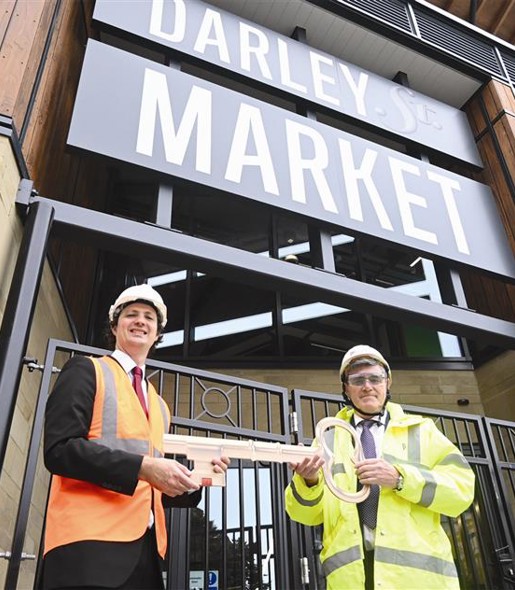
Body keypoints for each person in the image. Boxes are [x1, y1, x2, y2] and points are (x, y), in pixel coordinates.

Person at [42, 284, 229, 589]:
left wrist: (195, 480)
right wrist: (143, 467)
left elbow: (153, 487)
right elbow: (59, 450)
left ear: (157, 335)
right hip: (87, 548)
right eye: (131, 315)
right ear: (114, 327)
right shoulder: (87, 371)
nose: (141, 321)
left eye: (149, 318)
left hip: (146, 556)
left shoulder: (159, 405)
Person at [285, 344, 475, 590]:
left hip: (416, 581)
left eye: (375, 378)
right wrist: (308, 482)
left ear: (388, 383)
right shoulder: (327, 439)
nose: (367, 386)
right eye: (357, 379)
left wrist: (400, 479)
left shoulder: (422, 431)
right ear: (345, 388)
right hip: (351, 580)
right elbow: (305, 515)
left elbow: (462, 492)